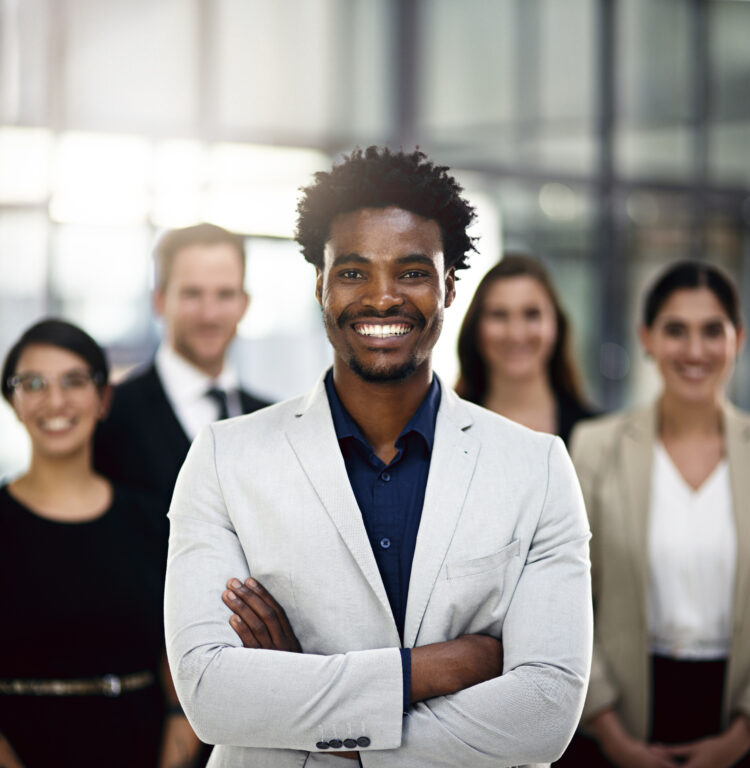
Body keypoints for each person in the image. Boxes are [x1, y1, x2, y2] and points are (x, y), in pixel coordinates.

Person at [164, 146, 593, 767]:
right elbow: (210, 694)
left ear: (449, 287)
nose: (383, 297)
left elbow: (546, 710)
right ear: (321, 285)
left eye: (413, 272)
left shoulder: (538, 467)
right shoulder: (225, 458)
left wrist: (309, 712)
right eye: (354, 272)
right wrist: (440, 666)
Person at [561, 261, 750, 767]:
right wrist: (613, 738)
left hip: (745, 721)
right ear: (647, 338)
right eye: (676, 330)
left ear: (737, 338)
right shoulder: (594, 447)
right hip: (618, 719)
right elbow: (567, 601)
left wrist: (741, 737)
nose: (694, 351)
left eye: (711, 331)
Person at [0, 319, 194, 768]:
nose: (56, 401)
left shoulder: (154, 521)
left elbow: (180, 667)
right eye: (33, 383)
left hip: (141, 748)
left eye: (74, 381)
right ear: (14, 401)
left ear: (104, 398)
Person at [94, 222, 270, 508]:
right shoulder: (109, 416)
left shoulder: (272, 422)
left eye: (224, 294)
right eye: (192, 294)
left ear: (244, 303)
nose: (209, 314)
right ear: (160, 301)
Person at [456, 254, 595, 445]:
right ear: (475, 327)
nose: (516, 334)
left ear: (556, 324)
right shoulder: (446, 429)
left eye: (531, 315)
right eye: (499, 315)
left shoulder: (596, 434)